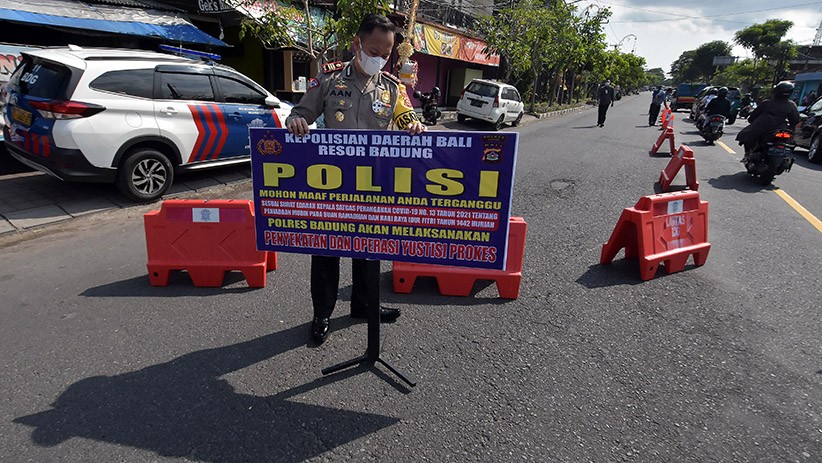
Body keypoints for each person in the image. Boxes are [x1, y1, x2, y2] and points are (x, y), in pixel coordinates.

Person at [284, 13, 427, 344]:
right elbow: (301, 113)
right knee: (326, 250)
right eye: (373, 51)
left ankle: (364, 305)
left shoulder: (392, 88)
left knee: (369, 248)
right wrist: (296, 121)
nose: (379, 59)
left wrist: (415, 126)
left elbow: (408, 119)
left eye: (386, 54)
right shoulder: (329, 80)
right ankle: (322, 313)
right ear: (356, 44)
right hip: (331, 184)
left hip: (372, 184)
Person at [735, 81, 801, 162]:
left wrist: (752, 120)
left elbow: (753, 116)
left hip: (763, 127)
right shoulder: (791, 105)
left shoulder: (767, 103)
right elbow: (795, 120)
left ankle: (747, 154)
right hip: (780, 128)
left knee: (746, 135)